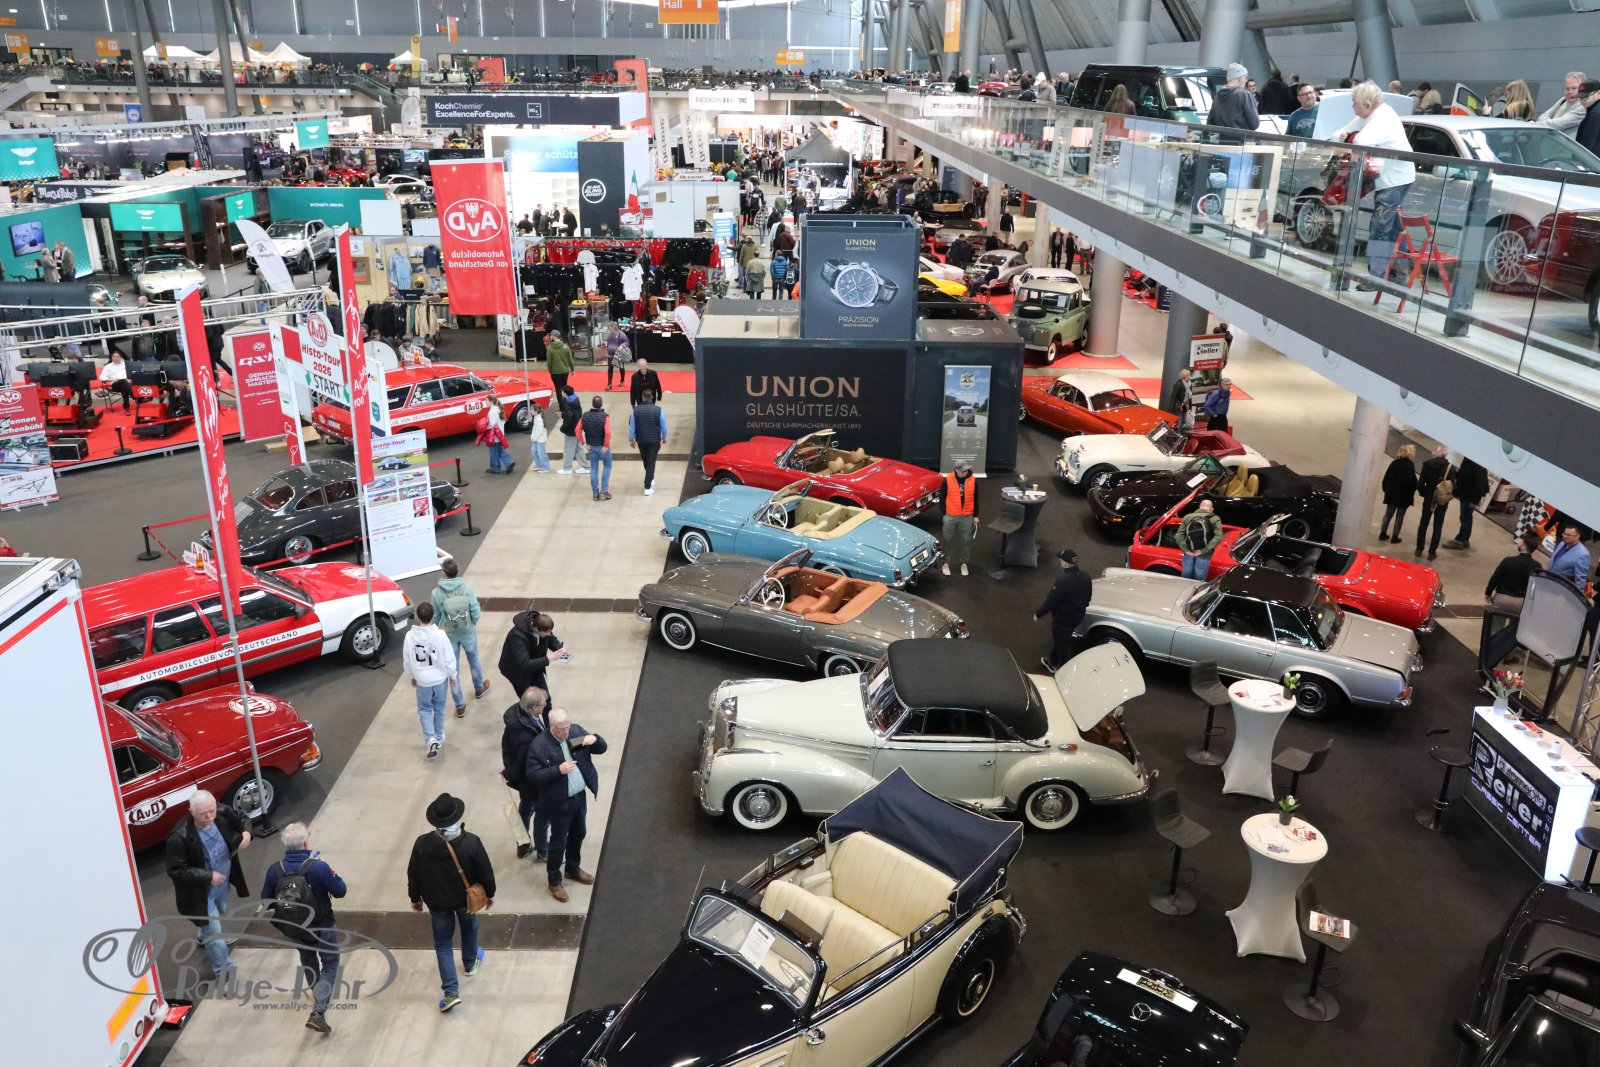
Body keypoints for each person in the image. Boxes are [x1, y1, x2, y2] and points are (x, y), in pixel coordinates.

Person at [407, 793, 495, 1013]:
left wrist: (415, 898)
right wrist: (490, 893)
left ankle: (451, 993)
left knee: (443, 945)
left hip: (437, 903)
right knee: (469, 927)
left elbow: (413, 874)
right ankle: (470, 962)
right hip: (465, 899)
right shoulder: (471, 842)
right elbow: (485, 871)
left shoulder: (422, 844)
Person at [259, 822, 346, 1035]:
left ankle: (319, 1000)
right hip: (323, 925)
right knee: (330, 963)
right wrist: (331, 873)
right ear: (306, 842)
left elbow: (266, 901)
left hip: (295, 928)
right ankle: (318, 1012)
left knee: (308, 961)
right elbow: (341, 890)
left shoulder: (275, 870)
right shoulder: (318, 867)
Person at [1335, 81, 1416, 291]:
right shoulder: (1369, 115)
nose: (1352, 107)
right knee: (1392, 228)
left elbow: (1361, 140)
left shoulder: (1383, 118)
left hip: (1395, 180)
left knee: (1380, 228)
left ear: (1367, 104)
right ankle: (1398, 274)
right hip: (1390, 178)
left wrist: (1348, 137)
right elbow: (1339, 134)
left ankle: (1376, 278)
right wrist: (1346, 136)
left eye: (1355, 103)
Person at [165, 790, 251, 986]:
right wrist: (209, 876)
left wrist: (247, 833)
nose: (210, 816)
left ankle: (203, 935)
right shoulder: (179, 837)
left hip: (222, 884)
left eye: (212, 810)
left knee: (218, 915)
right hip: (200, 894)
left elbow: (242, 818)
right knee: (215, 935)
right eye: (203, 813)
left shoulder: (220, 811)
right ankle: (224, 971)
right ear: (191, 812)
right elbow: (176, 870)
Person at [524, 708, 607, 902]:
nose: (566, 732)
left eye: (567, 727)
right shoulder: (539, 746)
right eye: (561, 729)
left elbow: (601, 748)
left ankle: (572, 868)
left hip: (579, 798)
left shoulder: (576, 732)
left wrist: (595, 739)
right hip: (558, 802)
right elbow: (532, 775)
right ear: (551, 726)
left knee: (579, 833)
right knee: (558, 843)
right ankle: (554, 881)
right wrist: (558, 770)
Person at [431, 558, 487, 717]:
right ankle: (479, 688)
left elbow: (436, 616)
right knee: (474, 659)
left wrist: (439, 631)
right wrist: (471, 624)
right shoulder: (467, 588)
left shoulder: (436, 593)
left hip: (449, 634)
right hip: (468, 632)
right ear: (458, 570)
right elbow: (475, 610)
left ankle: (460, 705)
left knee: (453, 669)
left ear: (444, 572)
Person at [403, 602, 458, 759]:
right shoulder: (440, 635)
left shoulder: (409, 636)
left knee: (425, 709)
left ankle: (430, 738)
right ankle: (439, 737)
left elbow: (407, 659)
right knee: (439, 708)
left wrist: (412, 676)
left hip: (422, 680)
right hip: (439, 679)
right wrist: (453, 676)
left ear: (418, 617)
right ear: (433, 616)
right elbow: (449, 658)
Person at [502, 686, 549, 861]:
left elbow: (505, 744)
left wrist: (508, 767)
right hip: (531, 781)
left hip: (523, 780)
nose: (546, 706)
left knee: (526, 807)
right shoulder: (527, 737)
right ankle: (543, 851)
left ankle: (523, 845)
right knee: (542, 815)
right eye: (543, 704)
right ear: (533, 708)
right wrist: (512, 772)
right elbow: (525, 762)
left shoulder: (517, 718)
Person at [1034, 549, 1091, 673]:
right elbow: (1088, 597)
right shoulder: (1086, 576)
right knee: (1061, 638)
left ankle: (1066, 672)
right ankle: (1053, 662)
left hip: (1063, 619)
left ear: (1065, 563)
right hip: (1078, 616)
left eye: (1061, 560)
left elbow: (1051, 601)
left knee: (1063, 645)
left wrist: (1038, 614)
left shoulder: (1062, 581)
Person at [1485, 532, 1543, 615]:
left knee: (1496, 623)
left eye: (1521, 541)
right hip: (1521, 603)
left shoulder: (1508, 561)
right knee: (1515, 623)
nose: (1519, 543)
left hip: (1502, 599)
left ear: (1524, 546)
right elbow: (1536, 588)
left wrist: (1488, 593)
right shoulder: (1537, 567)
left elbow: (1495, 578)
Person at [940, 460, 979, 577]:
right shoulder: (948, 479)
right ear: (956, 470)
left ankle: (964, 563)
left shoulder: (973, 480)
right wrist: (944, 514)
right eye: (962, 471)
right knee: (947, 539)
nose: (965, 472)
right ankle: (945, 563)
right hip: (950, 516)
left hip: (967, 516)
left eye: (966, 470)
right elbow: (942, 497)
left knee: (966, 541)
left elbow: (976, 498)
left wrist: (976, 515)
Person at [628, 388, 668, 497]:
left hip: (641, 440)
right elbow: (664, 426)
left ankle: (650, 478)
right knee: (651, 462)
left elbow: (632, 426)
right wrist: (664, 437)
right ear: (652, 397)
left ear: (642, 397)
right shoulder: (659, 410)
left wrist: (631, 439)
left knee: (646, 460)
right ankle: (647, 487)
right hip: (654, 440)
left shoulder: (635, 411)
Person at [1414, 445, 1451, 561]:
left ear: (1434, 453)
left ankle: (1419, 549)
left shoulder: (1427, 465)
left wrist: (1425, 494)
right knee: (1437, 526)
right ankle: (1432, 552)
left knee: (1423, 524)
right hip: (1442, 500)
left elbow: (1420, 484)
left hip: (1429, 497)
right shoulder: (1450, 467)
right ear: (1445, 454)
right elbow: (1453, 486)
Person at [1443, 457, 1489, 550]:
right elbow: (1464, 475)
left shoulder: (1477, 464)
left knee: (1465, 518)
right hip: (1466, 494)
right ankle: (1465, 539)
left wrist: (1474, 501)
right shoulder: (1468, 461)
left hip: (1470, 497)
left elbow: (1480, 484)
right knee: (1465, 517)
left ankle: (1460, 541)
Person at [1378, 444, 1418, 544]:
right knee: (1399, 518)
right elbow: (1413, 482)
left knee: (1388, 515)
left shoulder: (1394, 463)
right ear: (1410, 453)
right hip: (1403, 497)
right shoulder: (1410, 465)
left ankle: (1382, 533)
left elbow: (1386, 479)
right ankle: (1394, 537)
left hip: (1392, 494)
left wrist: (1387, 490)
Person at [1175, 499, 1224, 580]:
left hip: (1189, 551)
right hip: (1204, 554)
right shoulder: (1215, 518)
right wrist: (1203, 551)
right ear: (1212, 509)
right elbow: (1218, 537)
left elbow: (1178, 535)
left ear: (1199, 507)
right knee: (1199, 577)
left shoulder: (1188, 517)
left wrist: (1186, 550)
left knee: (1186, 575)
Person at [1206, 63, 1260, 132]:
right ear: (1239, 78)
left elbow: (1210, 123)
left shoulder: (1217, 98)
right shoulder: (1244, 95)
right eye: (1245, 77)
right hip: (1242, 137)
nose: (1246, 80)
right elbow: (1254, 124)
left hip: (1223, 138)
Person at [581, 395, 613, 501]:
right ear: (601, 404)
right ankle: (604, 490)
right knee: (607, 466)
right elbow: (608, 432)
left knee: (594, 468)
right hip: (602, 446)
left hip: (591, 446)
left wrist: (583, 443)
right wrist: (606, 445)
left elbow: (577, 430)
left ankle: (595, 493)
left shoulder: (585, 416)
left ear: (592, 404)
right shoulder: (605, 417)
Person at [1538, 71, 1590, 136]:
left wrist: (1535, 124)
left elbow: (1558, 124)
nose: (1570, 92)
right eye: (1567, 88)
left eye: (1574, 88)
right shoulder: (1563, 100)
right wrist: (1547, 122)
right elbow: (1544, 115)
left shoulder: (1584, 106)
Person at [555, 384, 588, 476]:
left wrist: (563, 428)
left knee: (568, 449)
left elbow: (569, 417)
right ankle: (586, 467)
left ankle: (567, 468)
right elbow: (573, 414)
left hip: (571, 430)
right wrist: (563, 415)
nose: (561, 393)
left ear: (565, 394)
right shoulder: (575, 399)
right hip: (577, 428)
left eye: (562, 392)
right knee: (578, 449)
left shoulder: (569, 404)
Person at [479, 395, 514, 475]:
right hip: (500, 434)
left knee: (493, 452)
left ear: (491, 402)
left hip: (494, 436)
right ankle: (509, 462)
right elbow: (503, 421)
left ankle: (496, 468)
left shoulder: (491, 412)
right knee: (499, 450)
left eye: (486, 401)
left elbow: (492, 423)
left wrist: (485, 427)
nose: (485, 402)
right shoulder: (499, 409)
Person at [544, 329, 575, 401]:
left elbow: (549, 362)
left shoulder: (550, 348)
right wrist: (572, 369)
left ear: (553, 336)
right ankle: (565, 402)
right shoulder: (566, 347)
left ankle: (561, 406)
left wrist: (550, 370)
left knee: (558, 389)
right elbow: (570, 359)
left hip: (555, 372)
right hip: (565, 371)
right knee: (564, 387)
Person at [1574, 80, 1600, 158]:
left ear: (1598, 93)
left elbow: (1585, 145)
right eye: (1580, 97)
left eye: (1586, 96)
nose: (1582, 100)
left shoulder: (1595, 113)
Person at [527, 391, 551, 472]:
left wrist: (534, 437)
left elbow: (540, 431)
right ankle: (539, 464)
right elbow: (535, 429)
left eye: (531, 410)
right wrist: (533, 437)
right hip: (536, 439)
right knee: (534, 451)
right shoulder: (536, 418)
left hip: (540, 439)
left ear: (536, 411)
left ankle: (545, 467)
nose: (530, 411)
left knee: (541, 453)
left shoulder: (539, 420)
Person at [604, 325, 629, 390]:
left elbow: (627, 342)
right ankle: (609, 384)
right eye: (609, 329)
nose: (610, 331)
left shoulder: (621, 333)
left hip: (619, 355)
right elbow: (608, 344)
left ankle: (622, 380)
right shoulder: (609, 334)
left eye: (611, 329)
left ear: (615, 328)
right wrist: (607, 352)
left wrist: (622, 346)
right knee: (610, 369)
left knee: (621, 368)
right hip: (610, 355)